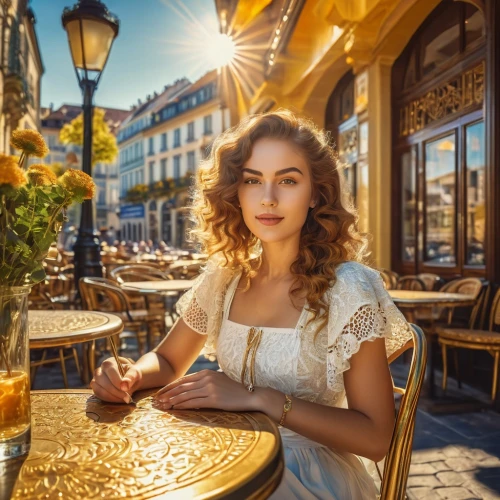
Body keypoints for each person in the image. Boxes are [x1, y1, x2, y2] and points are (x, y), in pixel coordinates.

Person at [91, 110, 411, 499]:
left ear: (316, 194)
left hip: (304, 477)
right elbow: (171, 361)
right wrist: (131, 375)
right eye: (252, 181)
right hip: (226, 457)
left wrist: (260, 397)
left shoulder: (347, 287)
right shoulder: (224, 277)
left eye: (288, 181)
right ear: (235, 192)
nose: (268, 198)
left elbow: (376, 436)